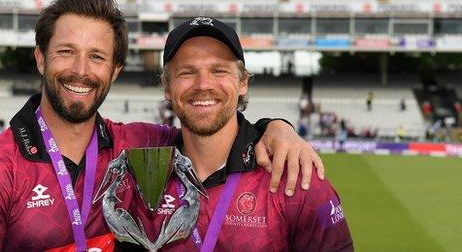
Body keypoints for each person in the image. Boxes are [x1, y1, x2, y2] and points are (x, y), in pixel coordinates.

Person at [0, 0, 325, 251]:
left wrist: (276, 129)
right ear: (40, 59)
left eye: (97, 57)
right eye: (66, 52)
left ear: (116, 69)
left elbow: (211, 131)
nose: (80, 70)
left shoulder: (140, 146)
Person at [136, 17, 352, 251]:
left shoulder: (297, 179)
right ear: (167, 87)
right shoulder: (141, 173)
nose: (203, 84)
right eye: (187, 72)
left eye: (219, 70)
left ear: (243, 83)